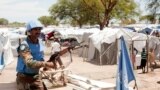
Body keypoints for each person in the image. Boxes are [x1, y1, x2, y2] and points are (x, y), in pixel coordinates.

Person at [16, 20, 68, 90]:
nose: (38, 31)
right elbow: (29, 63)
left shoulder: (40, 42)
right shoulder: (24, 45)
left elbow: (40, 58)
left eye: (39, 29)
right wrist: (47, 64)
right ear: (29, 31)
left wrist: (49, 64)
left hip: (35, 76)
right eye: (35, 29)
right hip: (24, 77)